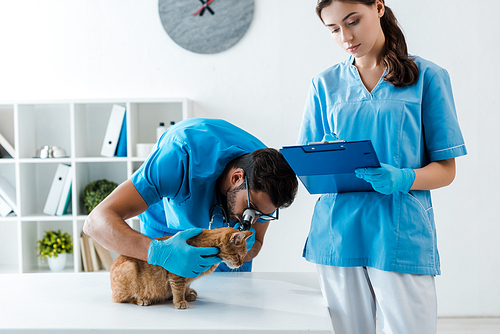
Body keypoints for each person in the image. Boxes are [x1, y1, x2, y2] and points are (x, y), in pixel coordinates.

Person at [297, 1, 467, 333]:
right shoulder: (324, 84)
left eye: (353, 21)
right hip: (337, 233)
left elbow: (446, 169)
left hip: (399, 232)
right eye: (334, 29)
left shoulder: (427, 77)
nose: (346, 36)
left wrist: (403, 177)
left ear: (378, 7)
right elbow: (308, 165)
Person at [84, 118, 298, 277]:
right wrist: (160, 253)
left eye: (263, 216)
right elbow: (95, 222)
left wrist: (234, 255)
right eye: (250, 211)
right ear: (236, 177)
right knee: (163, 298)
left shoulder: (267, 181)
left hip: (224, 242)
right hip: (165, 227)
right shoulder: (178, 158)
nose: (253, 220)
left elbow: (256, 241)